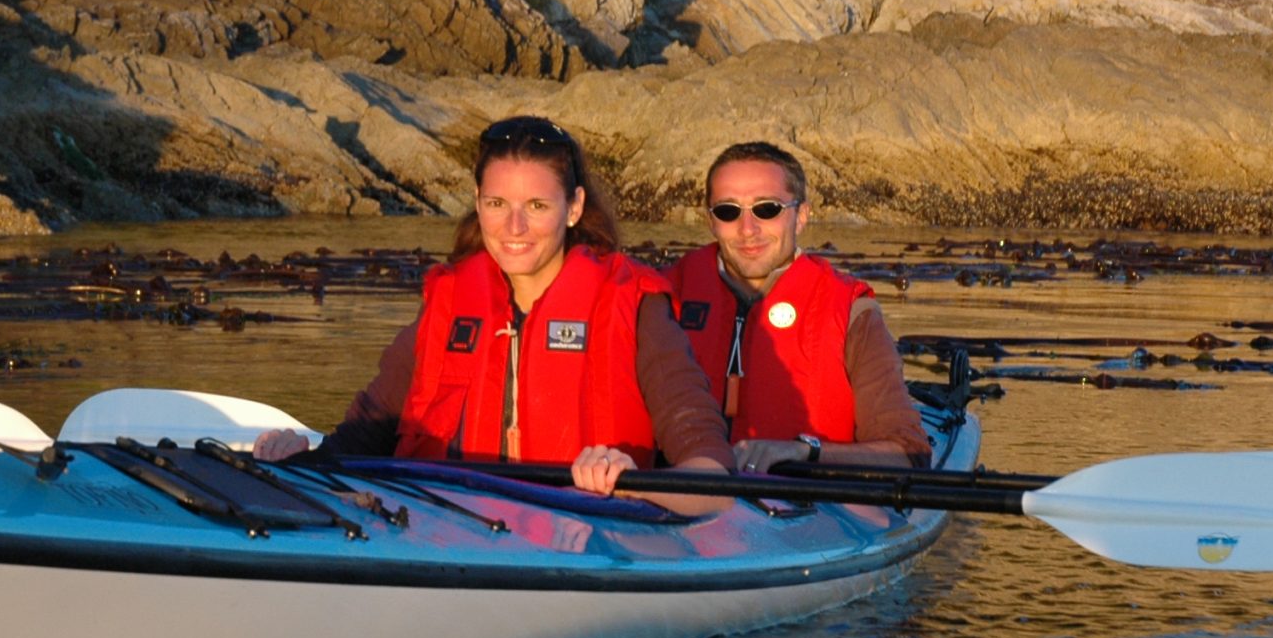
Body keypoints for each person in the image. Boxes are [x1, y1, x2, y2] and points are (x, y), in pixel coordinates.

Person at [253, 116, 732, 497]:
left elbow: (710, 473)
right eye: (497, 203)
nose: (514, 226)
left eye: (538, 206)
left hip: (592, 537)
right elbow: (356, 444)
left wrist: (630, 485)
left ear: (575, 207)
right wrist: (297, 462)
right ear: (478, 203)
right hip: (450, 531)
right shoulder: (448, 302)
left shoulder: (635, 305)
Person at [664, 141, 930, 473]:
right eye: (728, 211)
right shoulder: (662, 297)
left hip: (810, 500)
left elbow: (908, 453)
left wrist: (804, 452)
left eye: (767, 209)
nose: (748, 230)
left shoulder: (851, 312)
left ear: (801, 216)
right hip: (684, 494)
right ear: (710, 220)